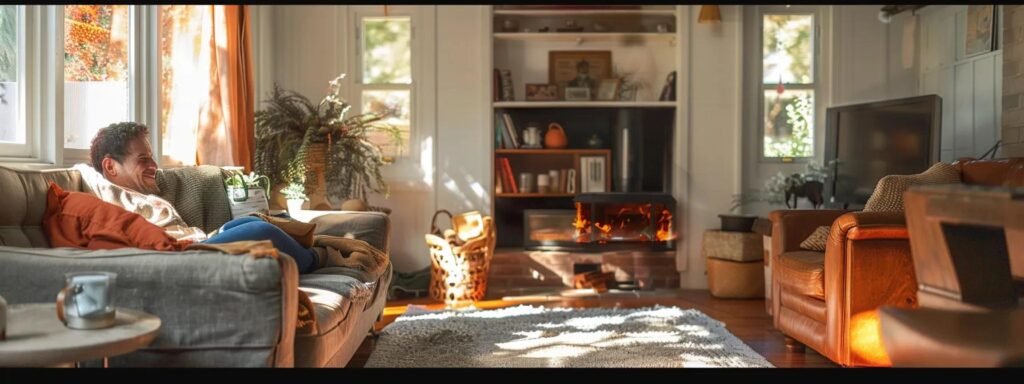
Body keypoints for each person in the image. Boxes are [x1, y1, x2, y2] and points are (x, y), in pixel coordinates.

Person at [86, 122, 320, 273]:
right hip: (174, 258)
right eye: (143, 159)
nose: (154, 166)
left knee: (253, 222)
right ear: (110, 166)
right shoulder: (105, 196)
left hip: (189, 245)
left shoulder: (137, 192)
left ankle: (313, 251)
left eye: (152, 157)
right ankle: (316, 260)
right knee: (262, 233)